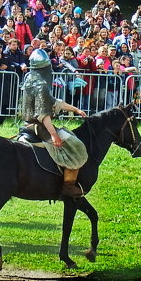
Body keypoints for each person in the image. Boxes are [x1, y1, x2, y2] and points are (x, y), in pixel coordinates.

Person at [16, 48, 89, 197]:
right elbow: (43, 115)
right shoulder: (40, 85)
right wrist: (54, 135)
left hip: (28, 124)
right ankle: (68, 186)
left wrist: (76, 109)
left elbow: (54, 102)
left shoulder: (30, 80)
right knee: (75, 146)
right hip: (39, 127)